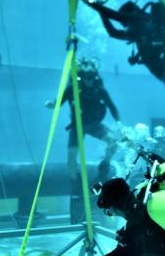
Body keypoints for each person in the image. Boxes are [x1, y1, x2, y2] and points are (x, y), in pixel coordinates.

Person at [46, 57, 121, 222]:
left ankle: (105, 164)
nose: (89, 81)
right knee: (71, 158)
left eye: (91, 77)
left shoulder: (100, 89)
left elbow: (112, 107)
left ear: (95, 76)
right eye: (86, 77)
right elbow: (59, 102)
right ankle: (75, 181)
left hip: (95, 125)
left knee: (113, 143)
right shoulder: (72, 89)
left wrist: (120, 125)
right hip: (77, 126)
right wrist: (52, 104)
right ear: (80, 76)